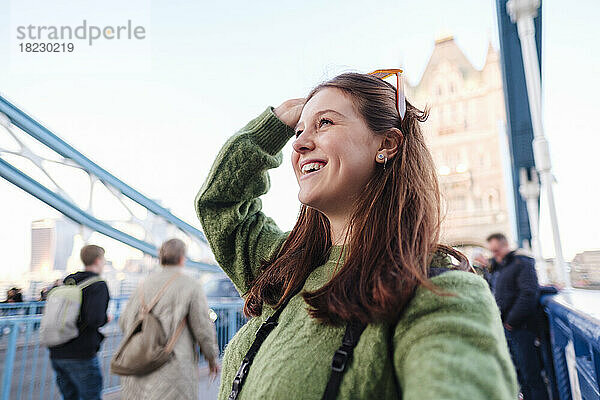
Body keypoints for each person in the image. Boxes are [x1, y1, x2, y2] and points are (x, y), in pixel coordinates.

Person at [195, 71, 518, 399]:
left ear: (387, 143)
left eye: (325, 123)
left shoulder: (437, 293)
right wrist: (275, 124)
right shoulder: (284, 266)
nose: (299, 143)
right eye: (298, 131)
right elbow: (220, 205)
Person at [118, 238, 220, 400]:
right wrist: (212, 358)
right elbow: (203, 327)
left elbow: (124, 322)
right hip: (174, 368)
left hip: (140, 367)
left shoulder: (143, 285)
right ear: (182, 258)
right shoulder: (190, 285)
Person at [478, 233, 549, 400]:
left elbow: (529, 292)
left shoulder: (521, 262)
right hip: (507, 328)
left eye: (496, 250)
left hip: (522, 328)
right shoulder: (500, 267)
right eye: (491, 252)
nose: (494, 254)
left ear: (505, 245)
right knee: (519, 375)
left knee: (531, 376)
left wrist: (511, 321)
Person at [49, 244, 110, 400]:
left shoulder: (69, 281)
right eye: (103, 260)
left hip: (57, 351)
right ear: (98, 260)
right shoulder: (98, 285)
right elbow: (95, 319)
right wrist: (106, 318)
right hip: (81, 353)